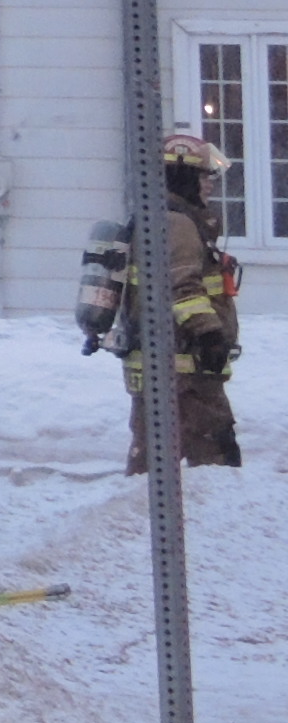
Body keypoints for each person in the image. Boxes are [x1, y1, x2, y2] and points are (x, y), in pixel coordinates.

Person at [122, 130, 243, 473]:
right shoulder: (176, 223)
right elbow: (182, 286)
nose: (209, 184)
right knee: (217, 464)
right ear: (183, 174)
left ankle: (146, 521)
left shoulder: (169, 219)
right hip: (184, 374)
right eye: (204, 176)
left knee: (154, 466)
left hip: (176, 372)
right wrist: (209, 334)